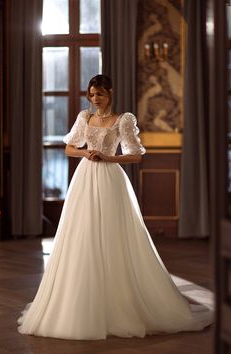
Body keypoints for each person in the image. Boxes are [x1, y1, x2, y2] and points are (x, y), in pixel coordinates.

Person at [18, 74, 213, 340]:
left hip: (110, 178)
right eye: (91, 94)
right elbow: (69, 149)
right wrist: (86, 153)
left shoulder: (124, 120)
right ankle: (79, 303)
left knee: (113, 236)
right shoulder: (84, 118)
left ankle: (119, 302)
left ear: (110, 93)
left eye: (100, 94)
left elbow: (135, 155)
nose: (95, 99)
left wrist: (108, 157)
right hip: (85, 179)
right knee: (82, 236)